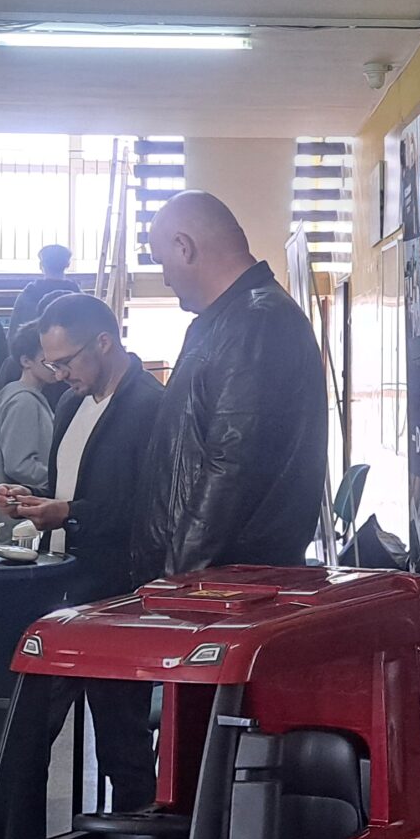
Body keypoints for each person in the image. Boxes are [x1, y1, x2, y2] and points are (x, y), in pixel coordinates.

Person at [0, 292, 166, 808]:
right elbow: (64, 487)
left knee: (121, 739)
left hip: (117, 594)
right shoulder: (70, 403)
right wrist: (30, 499)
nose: (59, 373)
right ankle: (23, 837)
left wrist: (67, 512)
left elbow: (149, 508)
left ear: (104, 343)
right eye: (51, 364)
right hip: (61, 588)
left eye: (66, 361)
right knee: (28, 728)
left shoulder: (151, 406)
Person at [134, 192, 329, 579]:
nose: (166, 278)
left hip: (219, 590)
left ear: (184, 247)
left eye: (161, 262)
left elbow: (232, 467)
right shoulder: (226, 321)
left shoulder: (256, 321)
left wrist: (178, 579)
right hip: (208, 586)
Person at [0, 326, 56, 493]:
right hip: (23, 502)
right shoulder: (24, 401)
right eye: (48, 361)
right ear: (26, 361)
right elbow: (19, 465)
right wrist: (61, 480)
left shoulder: (21, 396)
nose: (56, 366)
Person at [10, 243, 81, 332]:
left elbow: (15, 332)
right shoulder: (79, 296)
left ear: (41, 265)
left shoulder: (28, 294)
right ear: (68, 265)